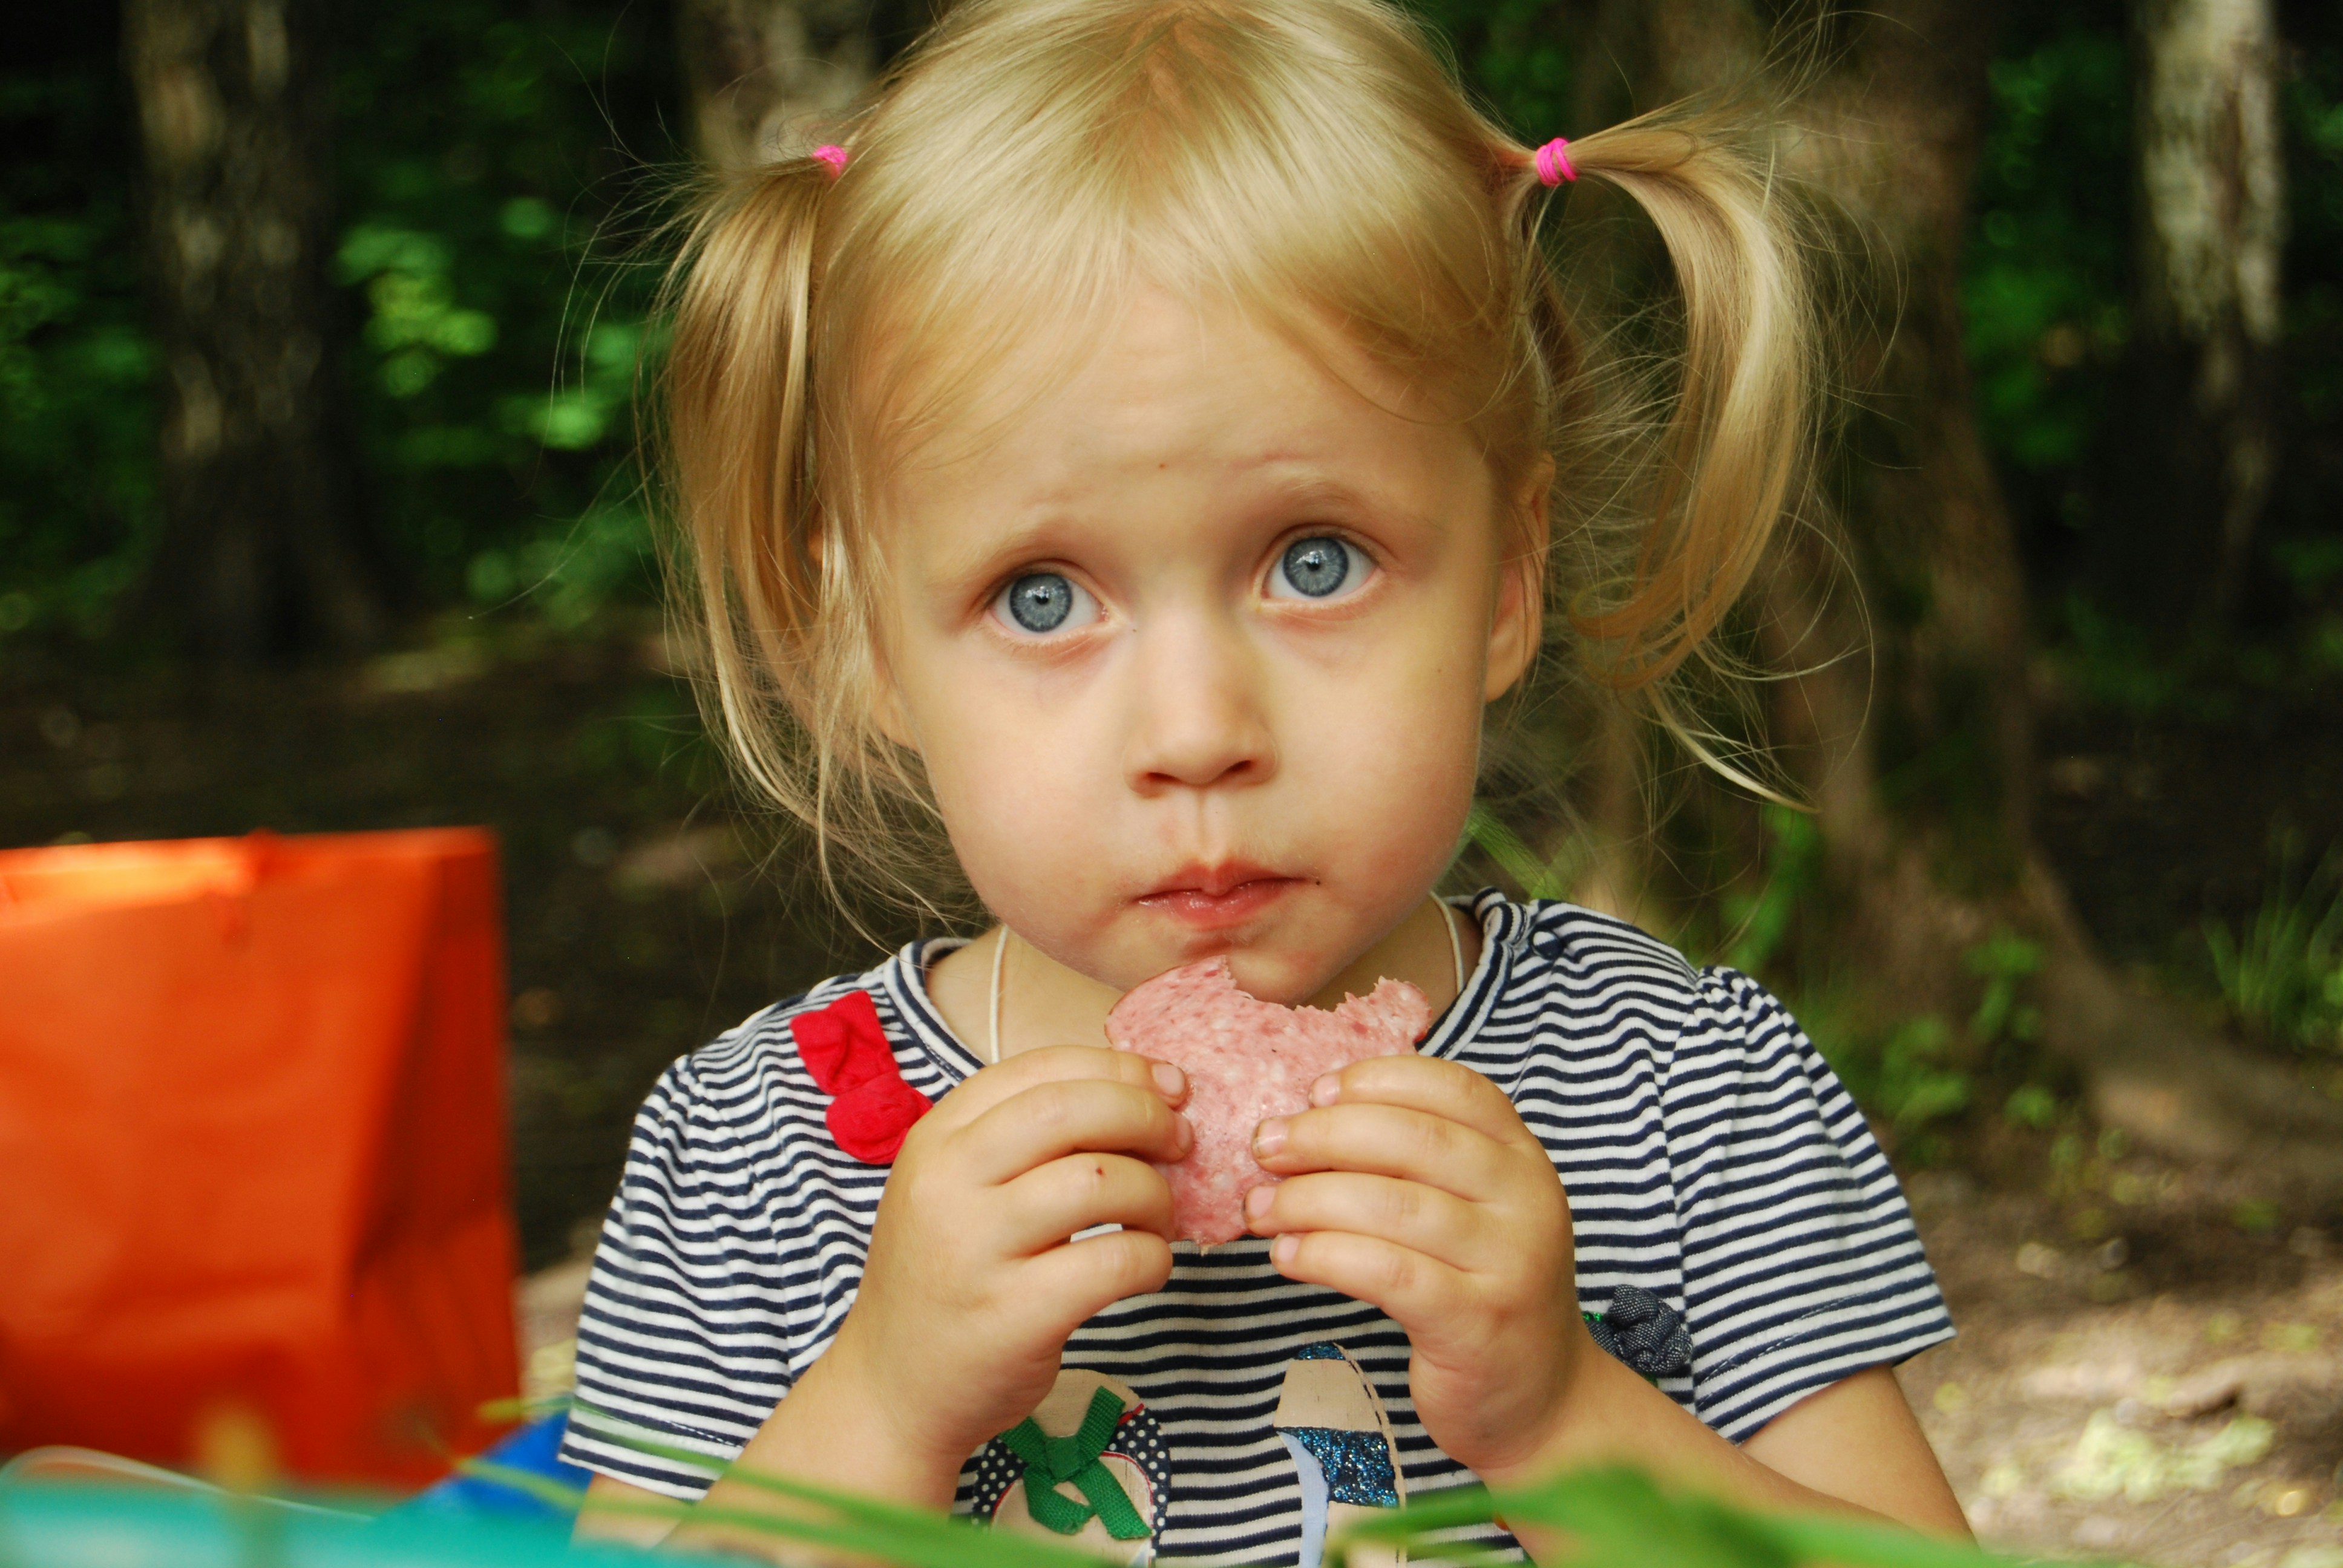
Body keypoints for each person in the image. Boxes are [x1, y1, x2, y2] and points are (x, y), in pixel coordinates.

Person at [560, 0, 1970, 1559]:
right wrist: (884, 1409)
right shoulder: (763, 1160)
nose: (1198, 727)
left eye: (1316, 561)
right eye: (1043, 597)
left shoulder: (1683, 1096)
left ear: (1508, 577)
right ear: (868, 644)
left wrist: (1565, 1419)